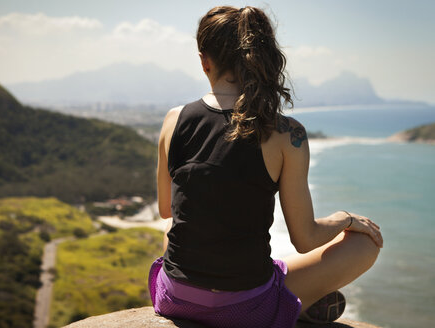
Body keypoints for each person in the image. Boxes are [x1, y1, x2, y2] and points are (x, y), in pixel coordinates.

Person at [149, 5, 382, 328]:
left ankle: (293, 300)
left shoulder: (174, 119)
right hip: (247, 306)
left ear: (204, 61)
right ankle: (296, 303)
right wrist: (346, 218)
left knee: (174, 226)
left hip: (176, 298)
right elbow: (305, 239)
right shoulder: (287, 134)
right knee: (365, 243)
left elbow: (165, 208)